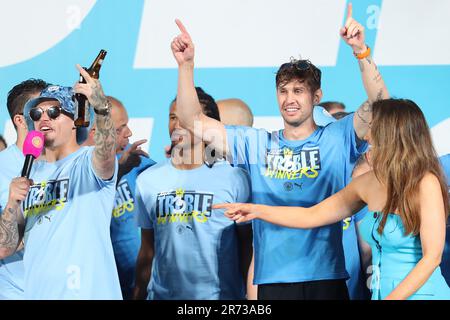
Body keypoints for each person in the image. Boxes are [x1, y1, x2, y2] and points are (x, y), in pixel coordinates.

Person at [170, 1, 389, 299]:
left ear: (316, 96)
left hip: (325, 277)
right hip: (273, 281)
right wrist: (186, 66)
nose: (290, 99)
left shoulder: (337, 137)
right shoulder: (255, 143)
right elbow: (192, 121)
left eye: (298, 91)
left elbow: (382, 107)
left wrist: (361, 51)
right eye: (283, 91)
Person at [216, 99, 450, 300]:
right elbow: (312, 215)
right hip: (383, 293)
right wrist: (257, 210)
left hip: (420, 293)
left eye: (375, 129)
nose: (367, 135)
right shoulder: (368, 183)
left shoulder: (425, 182)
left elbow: (431, 258)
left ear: (394, 135)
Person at [0, 65, 122, 299]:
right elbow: (5, 246)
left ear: (74, 119)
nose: (43, 118)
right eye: (36, 114)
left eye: (54, 112)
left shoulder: (88, 163)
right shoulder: (29, 173)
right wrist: (12, 203)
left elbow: (106, 153)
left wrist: (101, 107)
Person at [133, 92, 253, 300]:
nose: (177, 124)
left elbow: (247, 246)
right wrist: (138, 294)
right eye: (172, 117)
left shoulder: (234, 179)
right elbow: (147, 249)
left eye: (186, 117)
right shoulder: (148, 180)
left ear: (207, 124)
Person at [0, 79, 49, 299]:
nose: (48, 119)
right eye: (38, 112)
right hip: (17, 292)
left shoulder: (65, 163)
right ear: (20, 120)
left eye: (53, 111)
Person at [108, 96, 156, 299]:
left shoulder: (136, 162)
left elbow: (174, 179)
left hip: (141, 287)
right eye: (120, 129)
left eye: (126, 125)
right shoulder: (74, 171)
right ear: (94, 132)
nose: (129, 133)